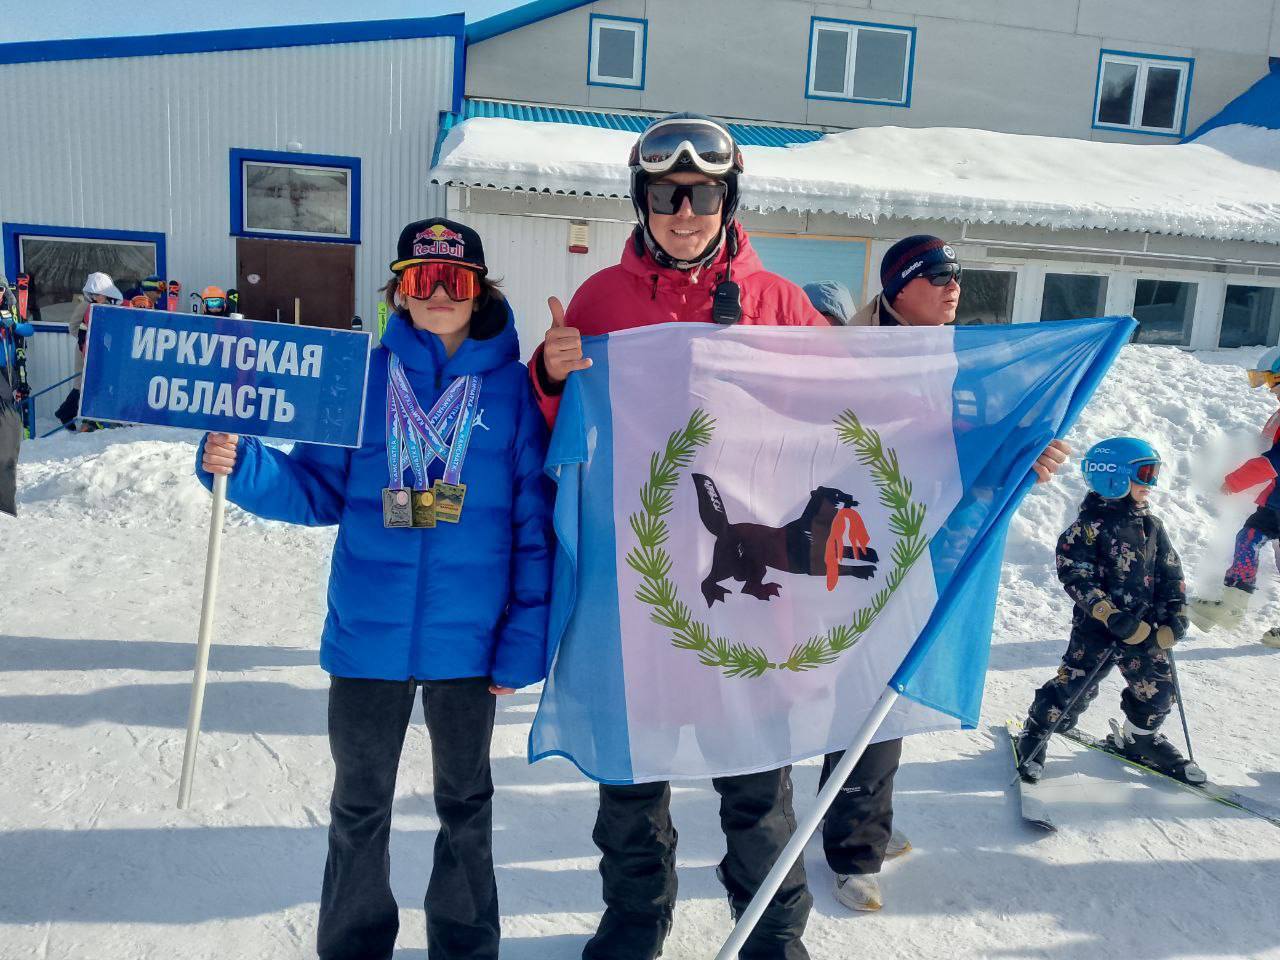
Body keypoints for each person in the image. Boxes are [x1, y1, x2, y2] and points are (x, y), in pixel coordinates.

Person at [197, 216, 553, 960]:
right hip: (367, 638)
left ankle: (464, 946)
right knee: (359, 808)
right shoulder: (357, 379)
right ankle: (354, 947)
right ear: (399, 289)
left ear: (480, 290)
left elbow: (532, 525)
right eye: (422, 279)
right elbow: (315, 490)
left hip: (471, 642)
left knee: (466, 806)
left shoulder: (514, 394)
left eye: (455, 280)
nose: (438, 294)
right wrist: (242, 464)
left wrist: (522, 641)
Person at [532, 112, 824, 960]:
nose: (684, 211)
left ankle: (770, 929)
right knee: (630, 767)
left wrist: (985, 430)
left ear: (728, 201)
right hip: (639, 576)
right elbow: (559, 432)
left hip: (746, 580)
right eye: (667, 194)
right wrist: (549, 376)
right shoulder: (601, 301)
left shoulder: (778, 303)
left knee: (756, 774)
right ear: (643, 200)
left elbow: (854, 408)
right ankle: (635, 916)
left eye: (702, 194)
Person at [813, 242, 1071, 912]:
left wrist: (1024, 462)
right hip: (855, 552)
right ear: (897, 291)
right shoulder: (855, 361)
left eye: (955, 275)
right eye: (934, 276)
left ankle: (859, 824)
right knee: (861, 693)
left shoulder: (963, 362)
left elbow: (968, 451)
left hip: (925, 552)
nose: (951, 286)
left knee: (885, 694)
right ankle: (852, 854)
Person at [1013, 437, 1202, 784]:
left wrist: (1175, 614)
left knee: (1159, 691)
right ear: (1111, 477)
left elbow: (1169, 572)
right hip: (1098, 631)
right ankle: (1037, 731)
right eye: (1144, 474)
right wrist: (1110, 615)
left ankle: (1139, 738)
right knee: (1074, 690)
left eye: (1153, 474)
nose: (1151, 484)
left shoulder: (1152, 526)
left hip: (1144, 630)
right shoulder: (1086, 529)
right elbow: (1074, 574)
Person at [1189, 346, 1280, 648]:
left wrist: (1233, 481)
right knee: (1248, 538)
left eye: (1274, 384)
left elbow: (1273, 461)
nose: (1271, 392)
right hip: (1276, 504)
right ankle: (1232, 606)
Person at [1, 286, 35, 516]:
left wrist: (13, 326)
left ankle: (5, 506)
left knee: (10, 441)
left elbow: (28, 330)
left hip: (9, 373)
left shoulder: (9, 310)